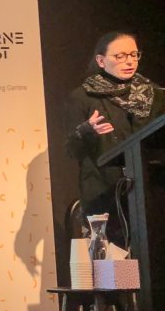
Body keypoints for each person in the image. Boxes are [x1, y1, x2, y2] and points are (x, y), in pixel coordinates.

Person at [66, 31, 165, 243]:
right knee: (119, 273)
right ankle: (122, 278)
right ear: (101, 61)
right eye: (120, 56)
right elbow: (70, 150)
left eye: (133, 54)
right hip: (105, 197)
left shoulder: (155, 95)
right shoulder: (83, 97)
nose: (129, 61)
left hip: (150, 196)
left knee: (153, 263)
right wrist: (85, 130)